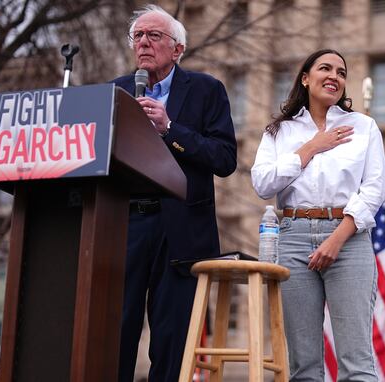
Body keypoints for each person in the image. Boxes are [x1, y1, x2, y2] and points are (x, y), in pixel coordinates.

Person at [111, 4, 237, 382]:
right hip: (123, 226)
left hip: (181, 231)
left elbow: (225, 158)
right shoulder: (114, 91)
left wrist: (171, 129)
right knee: (115, 331)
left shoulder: (206, 90)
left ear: (177, 49)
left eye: (154, 36)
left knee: (172, 339)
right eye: (138, 36)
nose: (144, 43)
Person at [251, 49, 385, 381]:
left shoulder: (363, 127)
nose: (334, 76)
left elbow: (375, 188)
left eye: (341, 72)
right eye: (325, 68)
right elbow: (262, 183)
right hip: (292, 237)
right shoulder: (279, 132)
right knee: (304, 365)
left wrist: (338, 238)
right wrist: (311, 147)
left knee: (357, 361)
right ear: (305, 78)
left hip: (349, 238)